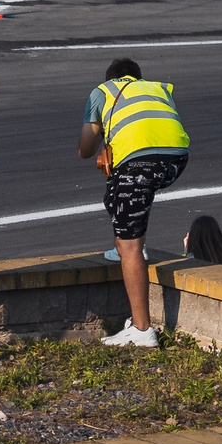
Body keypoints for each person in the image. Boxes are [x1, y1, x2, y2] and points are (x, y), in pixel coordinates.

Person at [78, 56, 192, 348]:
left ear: (110, 79)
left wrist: (102, 130)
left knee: (129, 243)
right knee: (116, 194)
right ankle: (129, 246)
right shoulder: (157, 88)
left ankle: (142, 330)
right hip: (176, 158)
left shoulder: (101, 92)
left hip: (139, 163)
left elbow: (85, 149)